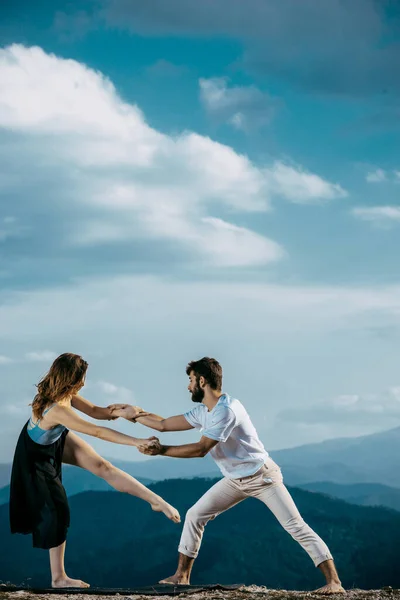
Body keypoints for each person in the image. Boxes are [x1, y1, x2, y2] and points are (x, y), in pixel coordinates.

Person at [109, 357, 345, 595]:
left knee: (295, 525)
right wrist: (135, 414)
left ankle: (334, 582)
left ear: (202, 381)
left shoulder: (226, 410)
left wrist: (161, 451)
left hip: (262, 477)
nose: (188, 386)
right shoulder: (205, 411)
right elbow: (163, 424)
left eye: (190, 380)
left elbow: (201, 449)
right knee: (195, 515)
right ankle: (181, 576)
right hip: (235, 480)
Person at [9, 353, 180, 589]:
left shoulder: (65, 395)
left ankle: (155, 500)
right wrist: (136, 442)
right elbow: (97, 431)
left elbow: (98, 412)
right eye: (82, 378)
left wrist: (123, 411)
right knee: (57, 509)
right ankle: (59, 578)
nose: (84, 383)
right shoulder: (58, 408)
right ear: (73, 380)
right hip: (35, 457)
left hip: (50, 439)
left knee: (103, 467)